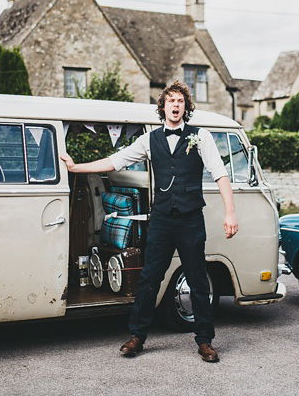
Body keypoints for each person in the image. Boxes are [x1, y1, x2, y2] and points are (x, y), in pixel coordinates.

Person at [60, 80, 238, 363]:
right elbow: (115, 161)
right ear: (163, 107)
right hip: (162, 220)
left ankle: (204, 341)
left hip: (191, 220)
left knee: (198, 281)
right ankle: (137, 336)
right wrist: (75, 168)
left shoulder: (200, 137)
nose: (176, 106)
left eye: (180, 101)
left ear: (186, 107)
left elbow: (220, 173)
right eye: (171, 101)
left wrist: (230, 212)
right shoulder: (150, 139)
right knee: (149, 278)